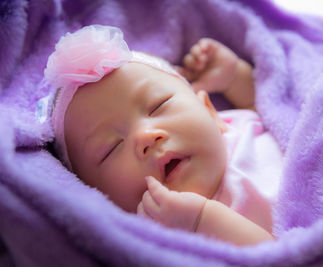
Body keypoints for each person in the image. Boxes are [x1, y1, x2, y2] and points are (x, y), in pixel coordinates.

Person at [45, 25, 282, 246]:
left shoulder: (237, 124)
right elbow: (281, 257)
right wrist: (200, 221)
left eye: (158, 105)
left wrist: (234, 78)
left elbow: (276, 109)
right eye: (112, 147)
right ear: (97, 195)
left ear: (210, 111)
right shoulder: (160, 235)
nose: (146, 136)